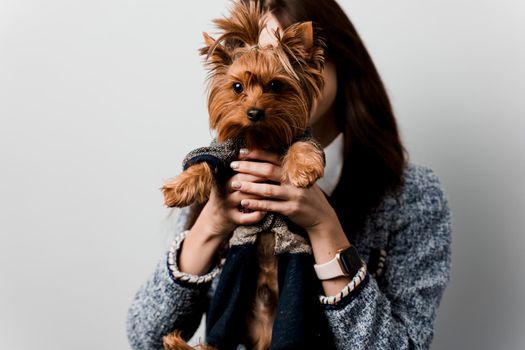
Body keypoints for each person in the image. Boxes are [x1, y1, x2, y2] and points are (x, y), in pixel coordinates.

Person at [126, 0, 452, 349]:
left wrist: (325, 228)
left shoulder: (412, 195)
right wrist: (210, 224)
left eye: (295, 53)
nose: (277, 65)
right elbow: (145, 338)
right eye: (261, 53)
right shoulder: (219, 177)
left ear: (336, 59)